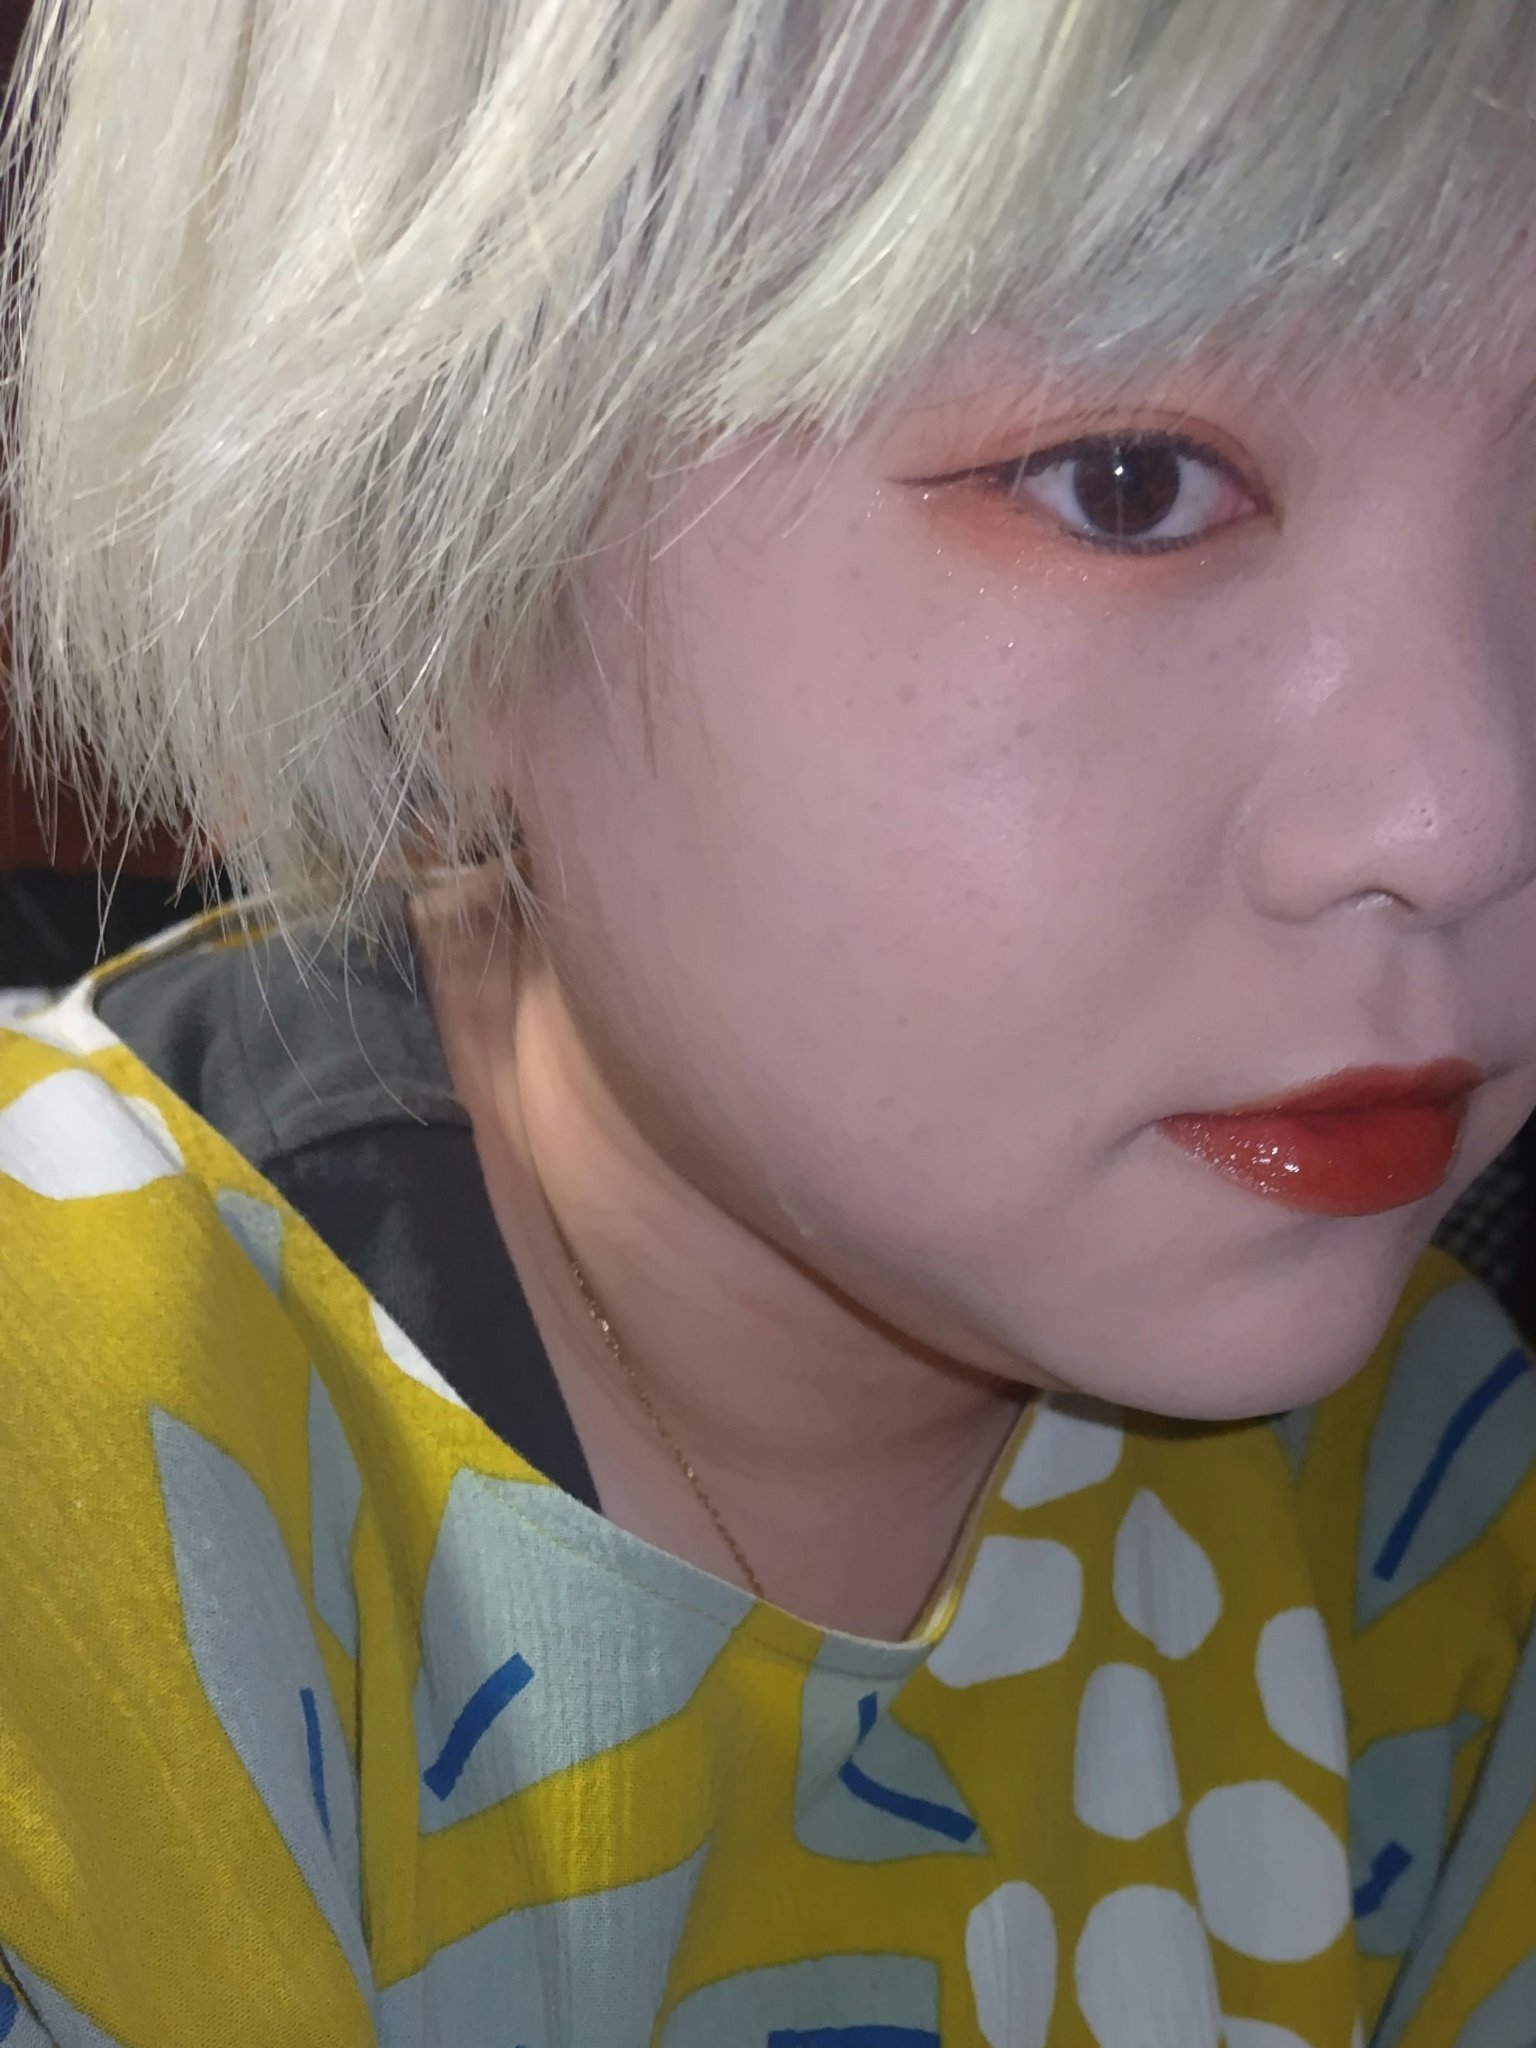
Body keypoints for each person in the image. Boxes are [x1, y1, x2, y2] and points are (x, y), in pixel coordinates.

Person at [2, 2, 1535, 2042]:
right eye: (1130, 483)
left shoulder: (1443, 1502)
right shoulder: (66, 1487)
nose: (1464, 815)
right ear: (443, 513)